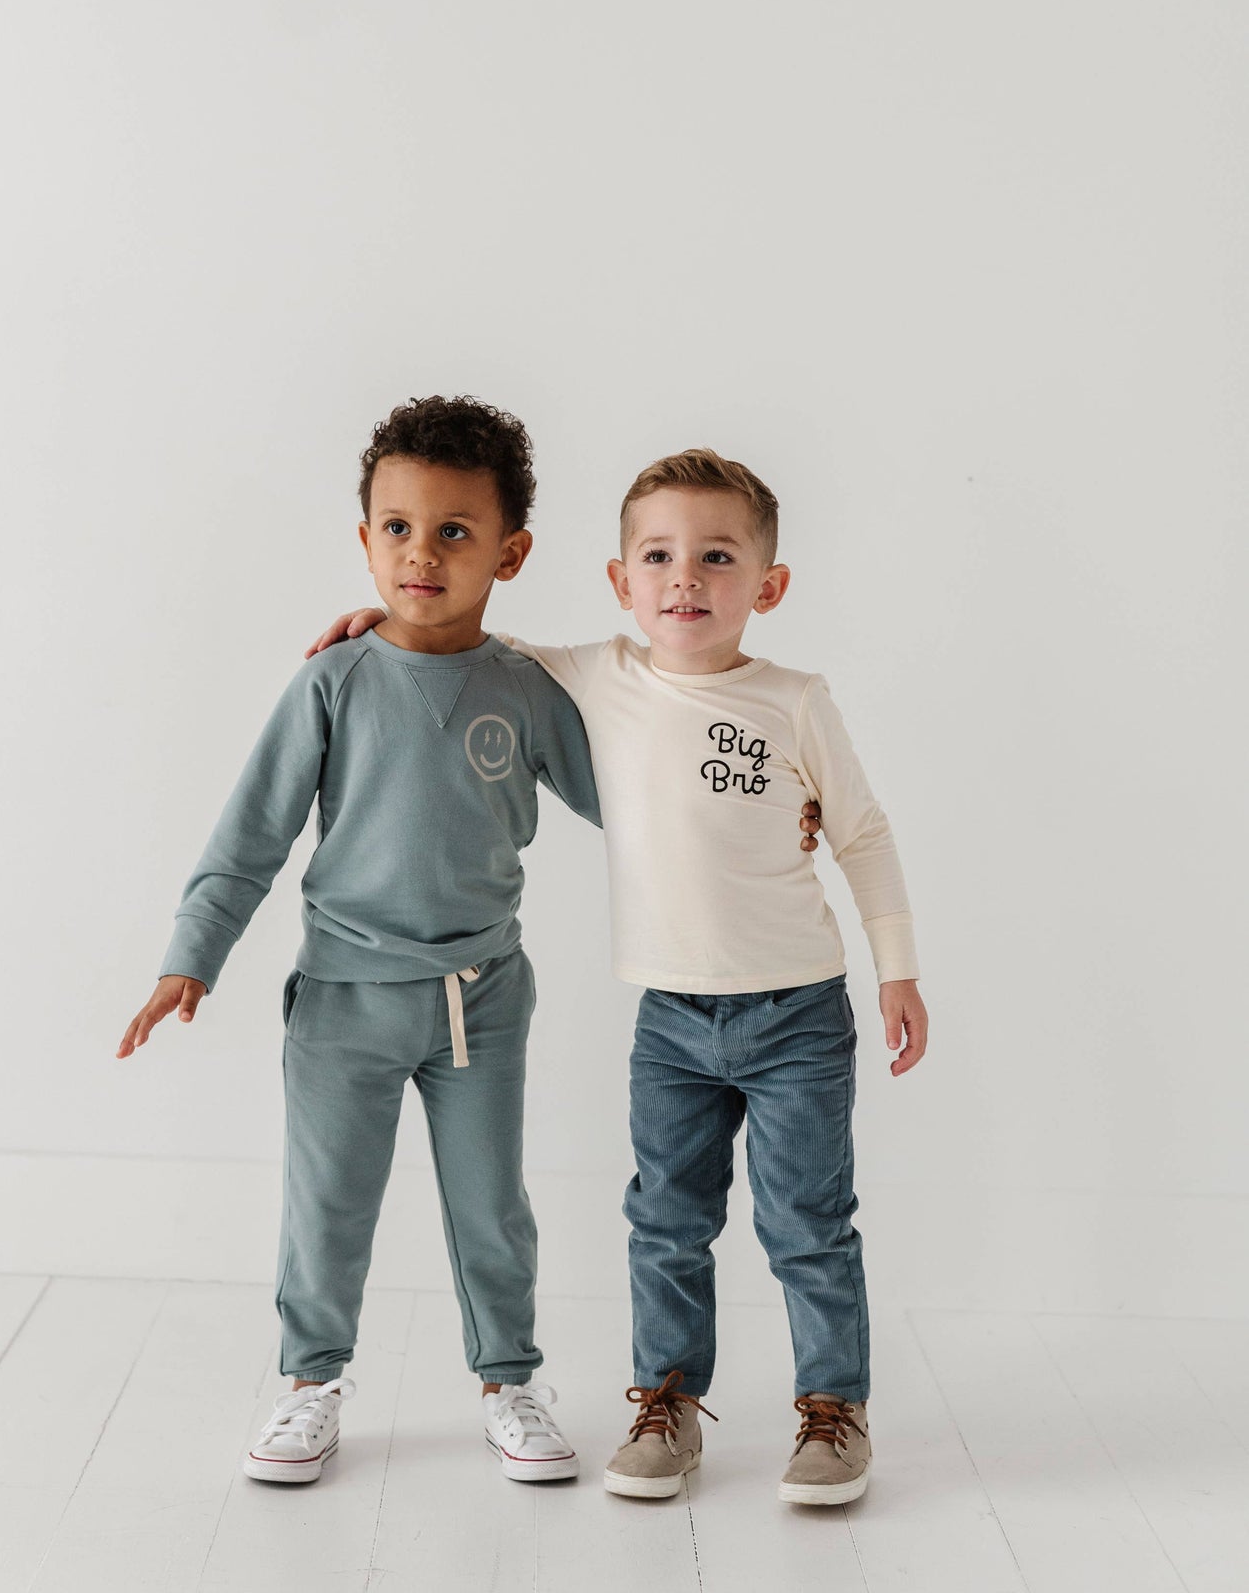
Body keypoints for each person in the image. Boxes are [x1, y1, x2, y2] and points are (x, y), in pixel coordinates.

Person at [312, 446, 924, 1506]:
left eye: (716, 557)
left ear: (766, 587)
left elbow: (861, 836)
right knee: (667, 1219)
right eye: (658, 557)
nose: (684, 579)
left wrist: (895, 973)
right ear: (619, 582)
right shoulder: (597, 674)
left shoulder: (793, 698)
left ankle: (832, 1412)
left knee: (804, 1223)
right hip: (671, 1020)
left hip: (796, 1013)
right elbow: (475, 646)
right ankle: (668, 1403)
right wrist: (386, 626)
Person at [117, 396, 606, 1487]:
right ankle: (309, 1382)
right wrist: (190, 956)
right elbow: (252, 831)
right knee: (327, 1204)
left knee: (491, 1205)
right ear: (364, 539)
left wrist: (769, 815)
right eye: (396, 527)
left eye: (453, 532)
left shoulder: (527, 694)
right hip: (342, 999)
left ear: (509, 553)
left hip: (482, 996)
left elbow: (639, 804)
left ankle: (510, 1379)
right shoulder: (331, 681)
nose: (419, 554)